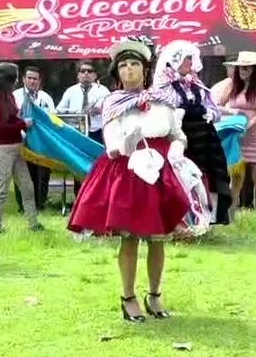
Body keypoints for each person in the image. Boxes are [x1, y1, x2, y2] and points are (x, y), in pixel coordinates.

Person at [67, 39, 191, 322]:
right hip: (128, 170)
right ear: (117, 72)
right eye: (123, 65)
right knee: (130, 237)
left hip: (160, 171)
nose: (129, 70)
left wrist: (177, 149)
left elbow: (177, 134)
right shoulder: (113, 102)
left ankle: (155, 295)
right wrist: (123, 144)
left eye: (134, 64)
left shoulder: (163, 100)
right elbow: (112, 139)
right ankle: (128, 297)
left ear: (145, 70)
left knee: (158, 238)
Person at [152, 40, 232, 225]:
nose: (190, 61)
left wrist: (210, 113)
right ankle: (188, 219)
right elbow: (160, 114)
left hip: (205, 137)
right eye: (186, 58)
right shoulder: (163, 87)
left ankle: (211, 216)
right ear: (174, 60)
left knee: (212, 173)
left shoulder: (196, 83)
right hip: (181, 139)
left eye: (191, 57)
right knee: (185, 175)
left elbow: (213, 108)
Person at [212, 51, 256, 221]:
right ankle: (230, 215)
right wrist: (229, 116)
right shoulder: (232, 85)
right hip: (237, 138)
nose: (243, 70)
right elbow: (218, 105)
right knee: (236, 177)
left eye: (247, 67)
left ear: (254, 69)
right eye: (240, 67)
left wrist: (247, 125)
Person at [0, 62, 41, 233]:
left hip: (17, 147)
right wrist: (22, 124)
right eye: (16, 76)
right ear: (9, 78)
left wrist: (22, 123)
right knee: (2, 189)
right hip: (2, 150)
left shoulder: (8, 97)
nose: (18, 80)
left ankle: (33, 223)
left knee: (27, 187)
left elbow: (12, 120)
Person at [56, 61, 110, 199]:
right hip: (77, 134)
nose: (86, 74)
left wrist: (99, 110)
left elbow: (112, 111)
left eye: (89, 71)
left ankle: (97, 197)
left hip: (97, 133)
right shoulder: (71, 91)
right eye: (83, 71)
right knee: (79, 165)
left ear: (95, 75)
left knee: (97, 166)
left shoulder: (103, 91)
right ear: (78, 75)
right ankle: (79, 197)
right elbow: (59, 111)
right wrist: (75, 114)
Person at [13, 65, 55, 212]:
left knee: (42, 172)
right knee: (23, 172)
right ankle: (23, 206)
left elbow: (53, 118)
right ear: (23, 79)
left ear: (39, 81)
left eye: (35, 79)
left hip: (41, 141)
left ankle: (40, 203)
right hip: (21, 139)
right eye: (29, 78)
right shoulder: (15, 96)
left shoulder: (46, 97)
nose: (32, 81)